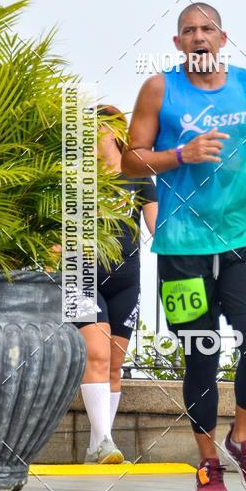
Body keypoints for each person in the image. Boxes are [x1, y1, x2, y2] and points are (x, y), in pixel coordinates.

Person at [121, 2, 246, 491]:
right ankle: (209, 462)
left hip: (243, 239)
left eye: (206, 29)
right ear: (177, 44)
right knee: (201, 353)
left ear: (223, 37)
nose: (198, 37)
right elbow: (129, 160)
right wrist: (179, 155)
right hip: (182, 246)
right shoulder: (160, 89)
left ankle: (244, 439)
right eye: (188, 31)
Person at [76, 106, 157, 464]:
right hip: (83, 278)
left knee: (113, 365)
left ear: (112, 132)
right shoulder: (77, 178)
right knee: (96, 353)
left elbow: (159, 227)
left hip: (126, 281)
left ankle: (97, 445)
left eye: (94, 130)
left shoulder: (137, 176)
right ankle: (107, 441)